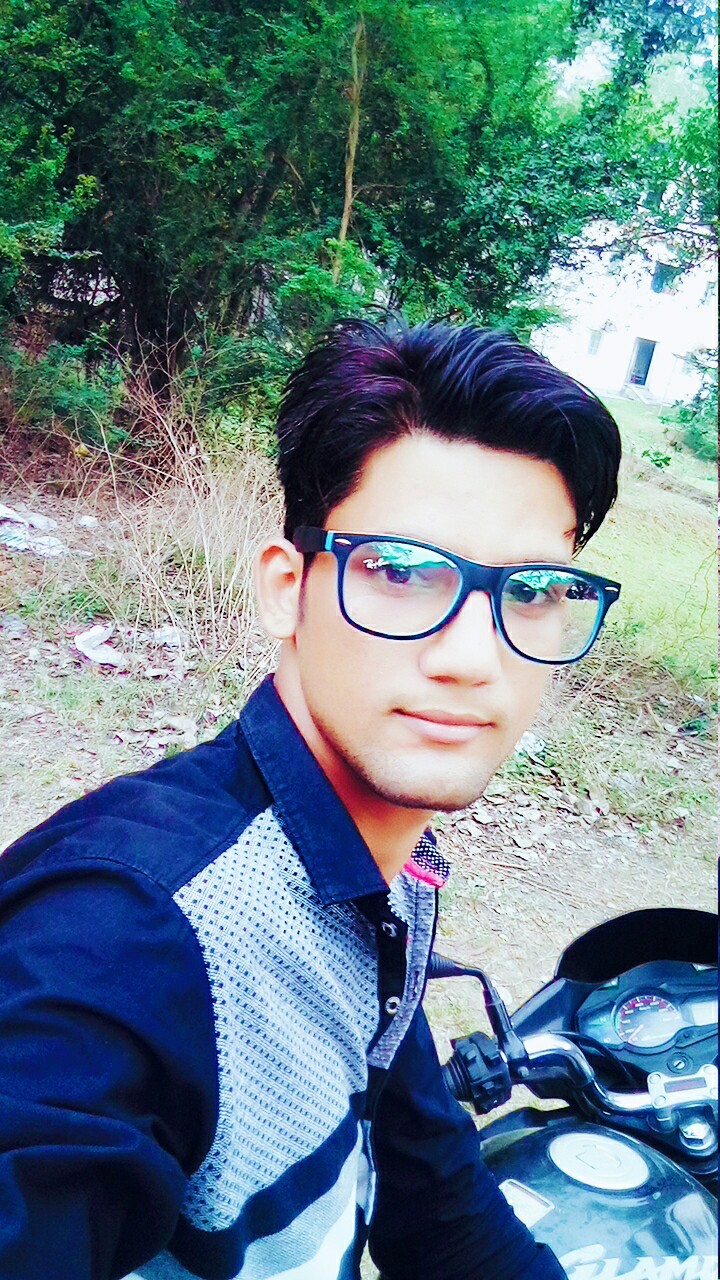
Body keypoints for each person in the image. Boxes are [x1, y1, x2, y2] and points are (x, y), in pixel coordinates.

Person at [0, 316, 622, 1280]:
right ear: (285, 590)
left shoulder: (377, 875)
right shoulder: (127, 938)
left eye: (535, 589)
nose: (473, 658)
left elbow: (436, 1196)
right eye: (402, 572)